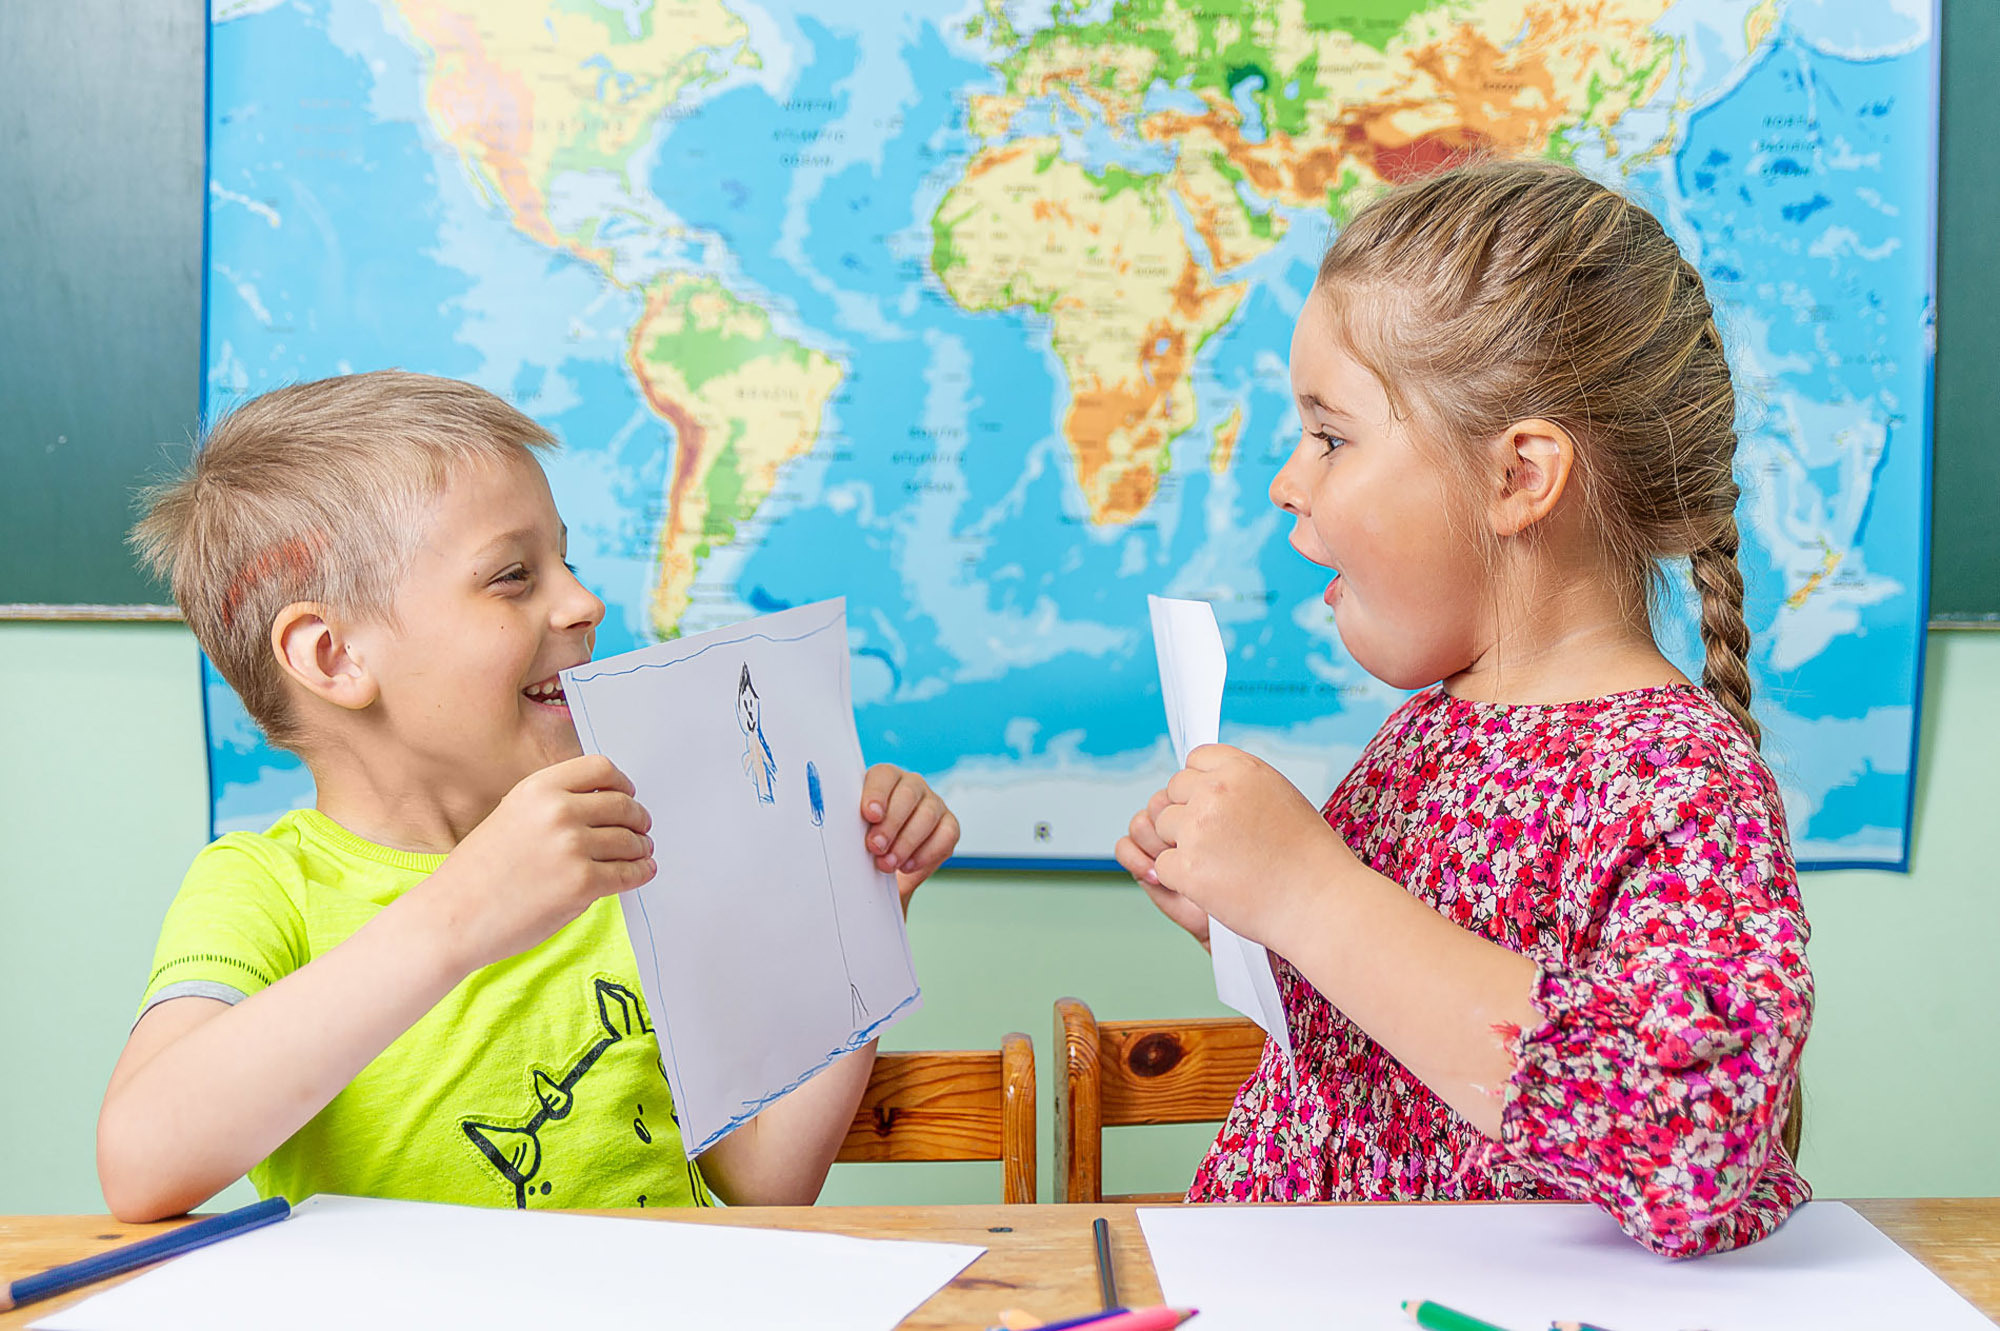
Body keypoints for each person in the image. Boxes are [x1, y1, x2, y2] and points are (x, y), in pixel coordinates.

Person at [1116, 160, 1811, 1258]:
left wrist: (1308, 893)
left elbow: (1690, 1136)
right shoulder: (1428, 735)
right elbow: (1410, 1025)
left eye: (1330, 436)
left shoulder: (1674, 778)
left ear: (1516, 477)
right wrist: (1254, 923)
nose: (1285, 482)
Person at [99, 371, 959, 1222]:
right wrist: (465, 907)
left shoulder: (634, 846)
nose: (585, 601)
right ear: (334, 657)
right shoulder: (262, 884)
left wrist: (858, 906)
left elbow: (764, 1183)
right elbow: (140, 1161)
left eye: (566, 560)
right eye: (513, 575)